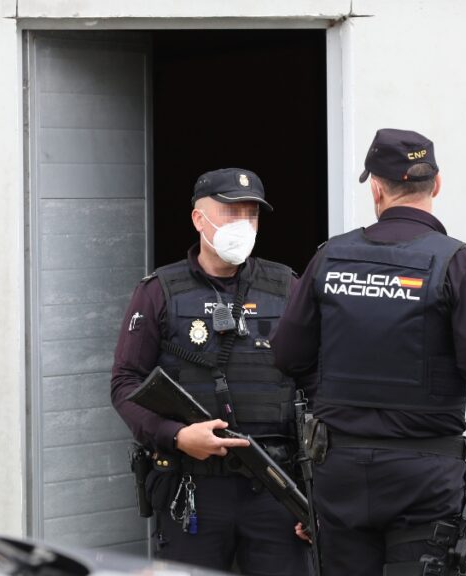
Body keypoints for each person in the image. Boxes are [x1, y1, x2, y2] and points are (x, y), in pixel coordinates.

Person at [272, 129, 466, 576]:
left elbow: (288, 355)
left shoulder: (330, 258)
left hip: (340, 471)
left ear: (377, 188)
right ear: (436, 185)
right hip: (423, 476)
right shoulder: (459, 264)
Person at [110, 167, 309, 575]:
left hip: (274, 488)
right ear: (200, 220)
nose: (244, 224)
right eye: (232, 212)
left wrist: (316, 496)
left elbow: (318, 384)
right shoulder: (158, 291)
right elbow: (125, 383)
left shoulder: (287, 286)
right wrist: (177, 436)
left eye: (251, 214)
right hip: (193, 488)